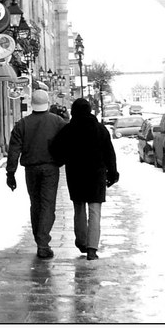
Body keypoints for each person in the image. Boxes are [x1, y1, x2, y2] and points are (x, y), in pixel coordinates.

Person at [50, 98, 119, 261]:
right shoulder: (100, 129)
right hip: (96, 175)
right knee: (95, 211)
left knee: (79, 208)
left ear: (73, 111)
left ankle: (81, 241)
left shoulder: (69, 129)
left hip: (76, 174)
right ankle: (92, 248)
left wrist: (63, 159)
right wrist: (113, 173)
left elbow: (55, 148)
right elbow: (110, 153)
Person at [5, 89, 67, 259]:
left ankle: (39, 239)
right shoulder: (57, 122)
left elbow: (14, 150)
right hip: (50, 168)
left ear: (32, 103)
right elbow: (68, 140)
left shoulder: (22, 124)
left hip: (31, 169)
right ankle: (43, 242)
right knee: (48, 205)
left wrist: (10, 173)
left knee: (36, 204)